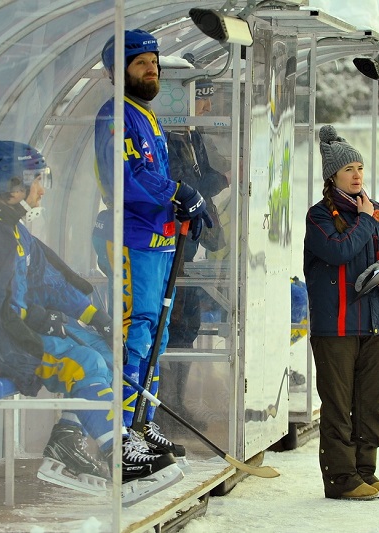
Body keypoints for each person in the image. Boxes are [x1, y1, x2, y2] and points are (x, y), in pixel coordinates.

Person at [0, 140, 182, 503]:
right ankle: (118, 458)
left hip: (5, 333)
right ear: (15, 187)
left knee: (103, 350)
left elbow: (50, 282)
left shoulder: (12, 230)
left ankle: (66, 440)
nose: (43, 188)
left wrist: (99, 321)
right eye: (36, 179)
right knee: (82, 363)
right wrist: (39, 328)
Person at [91, 30, 213, 469]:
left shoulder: (147, 116)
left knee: (156, 335)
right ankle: (120, 433)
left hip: (159, 242)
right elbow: (129, 178)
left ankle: (143, 421)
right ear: (115, 72)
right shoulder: (116, 116)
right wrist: (177, 189)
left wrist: (184, 203)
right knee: (136, 334)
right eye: (140, 62)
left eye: (154, 62)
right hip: (133, 242)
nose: (151, 68)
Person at [303, 125, 379, 501]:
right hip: (337, 328)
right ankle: (341, 478)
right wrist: (364, 220)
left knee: (371, 404)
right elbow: (338, 252)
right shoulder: (319, 217)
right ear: (333, 176)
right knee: (339, 406)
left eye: (360, 167)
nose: (357, 174)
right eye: (349, 169)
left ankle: (366, 471)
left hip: (378, 324)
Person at [165, 60, 229, 415]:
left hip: (189, 247)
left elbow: (206, 172)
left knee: (188, 323)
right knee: (170, 322)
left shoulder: (193, 136)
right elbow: (184, 188)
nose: (207, 108)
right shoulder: (167, 138)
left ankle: (178, 401)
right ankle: (165, 406)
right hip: (171, 247)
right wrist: (220, 179)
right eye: (202, 100)